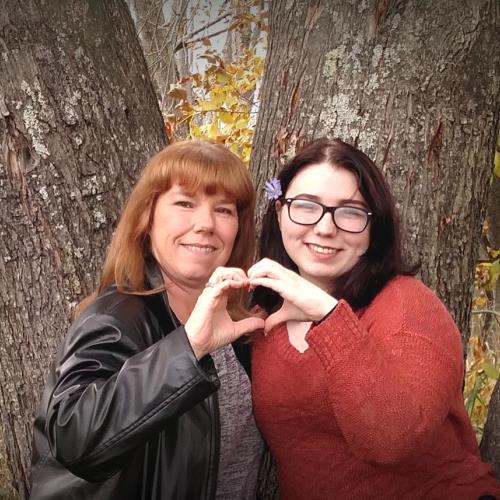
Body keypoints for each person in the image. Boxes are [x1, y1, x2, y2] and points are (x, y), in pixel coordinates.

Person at [248, 138, 500, 499]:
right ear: (279, 212)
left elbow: (392, 441)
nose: (324, 228)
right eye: (305, 206)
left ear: (373, 227)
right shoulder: (262, 321)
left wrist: (329, 317)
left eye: (350, 212)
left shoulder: (408, 307)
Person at [30, 140, 265, 500]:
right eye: (185, 203)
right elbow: (73, 437)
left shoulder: (234, 320)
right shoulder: (116, 317)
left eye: (224, 210)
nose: (205, 224)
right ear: (148, 217)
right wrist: (188, 348)